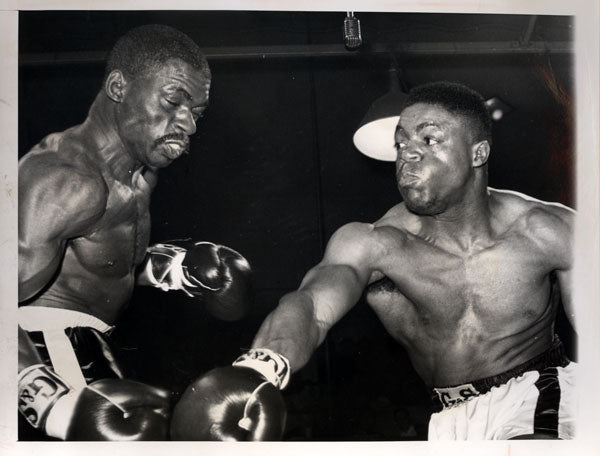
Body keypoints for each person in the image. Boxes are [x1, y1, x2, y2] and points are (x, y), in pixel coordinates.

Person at [170, 81, 577, 441]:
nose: (408, 155)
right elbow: (311, 306)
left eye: (429, 139)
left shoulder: (548, 230)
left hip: (541, 393)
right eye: (401, 144)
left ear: (478, 153)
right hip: (449, 418)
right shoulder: (375, 242)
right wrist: (261, 367)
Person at [18, 24, 252, 441]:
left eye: (196, 112)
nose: (189, 126)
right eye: (174, 101)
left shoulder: (140, 178)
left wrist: (172, 268)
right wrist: (44, 399)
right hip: (35, 353)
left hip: (93, 345)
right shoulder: (66, 180)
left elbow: (100, 258)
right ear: (118, 86)